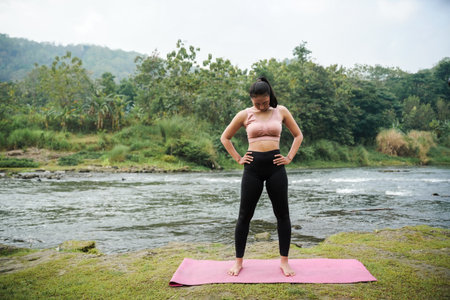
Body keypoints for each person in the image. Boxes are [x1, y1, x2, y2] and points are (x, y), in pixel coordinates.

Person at [220, 77, 303, 276]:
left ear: (269, 97)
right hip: (253, 168)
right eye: (257, 103)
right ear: (252, 100)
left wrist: (289, 157)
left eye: (264, 102)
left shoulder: (281, 111)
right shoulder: (245, 114)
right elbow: (225, 137)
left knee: (282, 214)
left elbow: (298, 135)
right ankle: (238, 261)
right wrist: (239, 158)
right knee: (244, 216)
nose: (261, 106)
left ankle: (284, 261)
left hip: (276, 167)